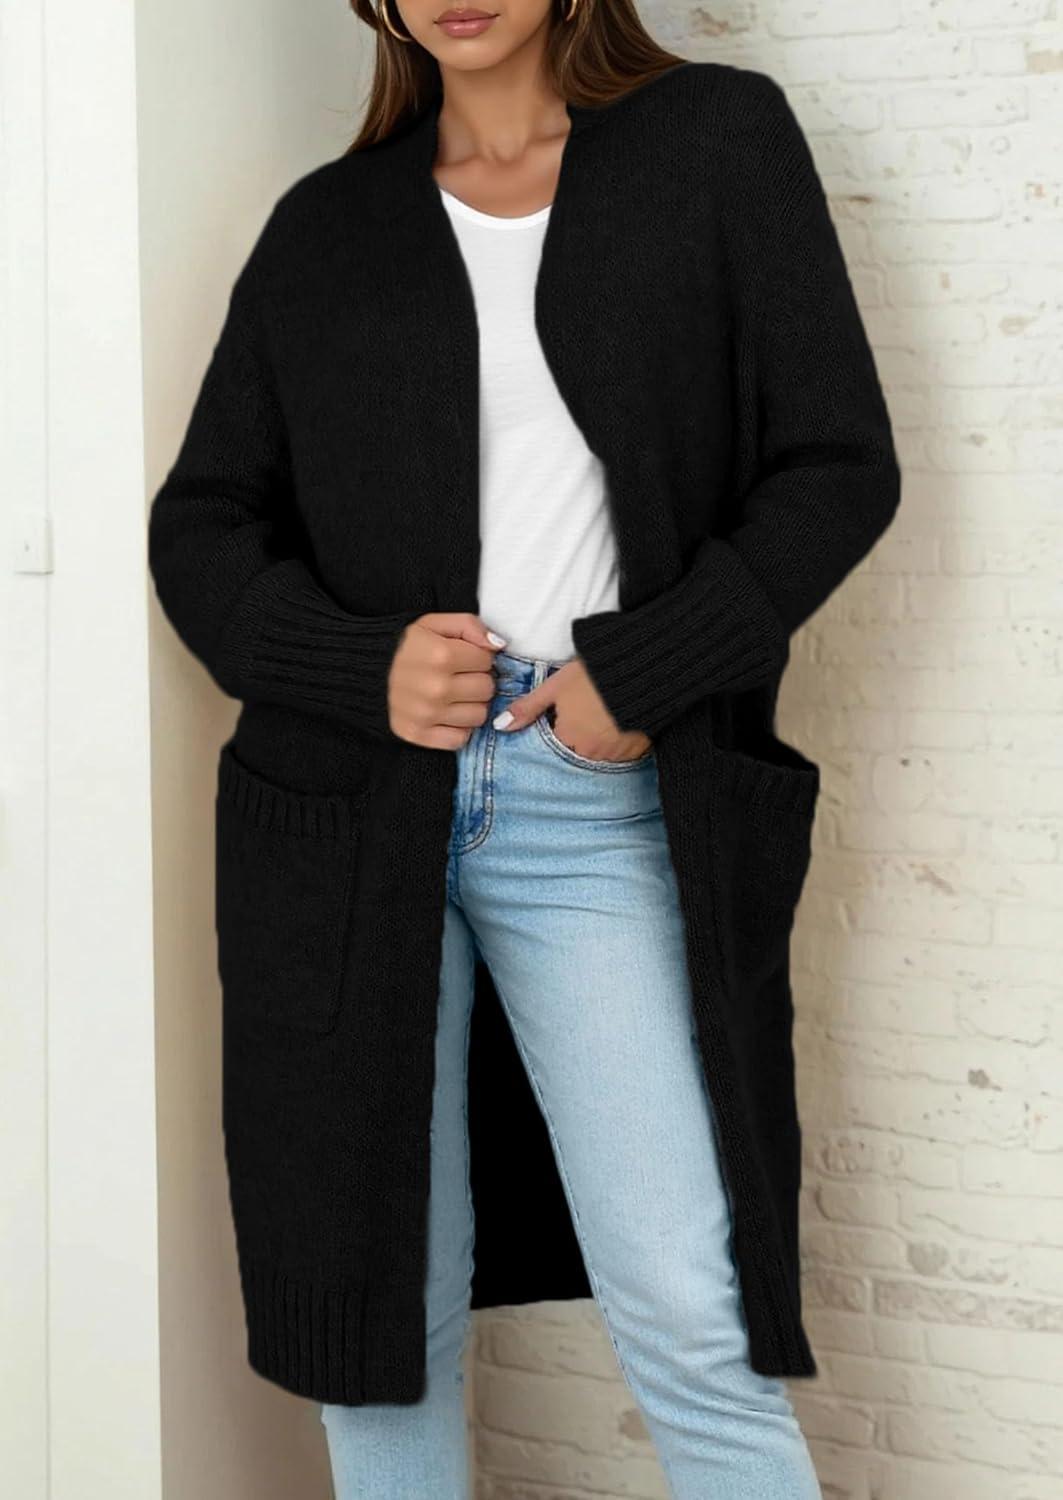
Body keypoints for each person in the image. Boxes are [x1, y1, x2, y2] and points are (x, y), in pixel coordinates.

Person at [147, 0, 901, 1495]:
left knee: (693, 1310)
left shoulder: (713, 143)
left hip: (594, 799)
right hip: (349, 817)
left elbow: (837, 464)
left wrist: (647, 668)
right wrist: (358, 664)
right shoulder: (326, 226)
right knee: (377, 1324)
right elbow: (203, 524)